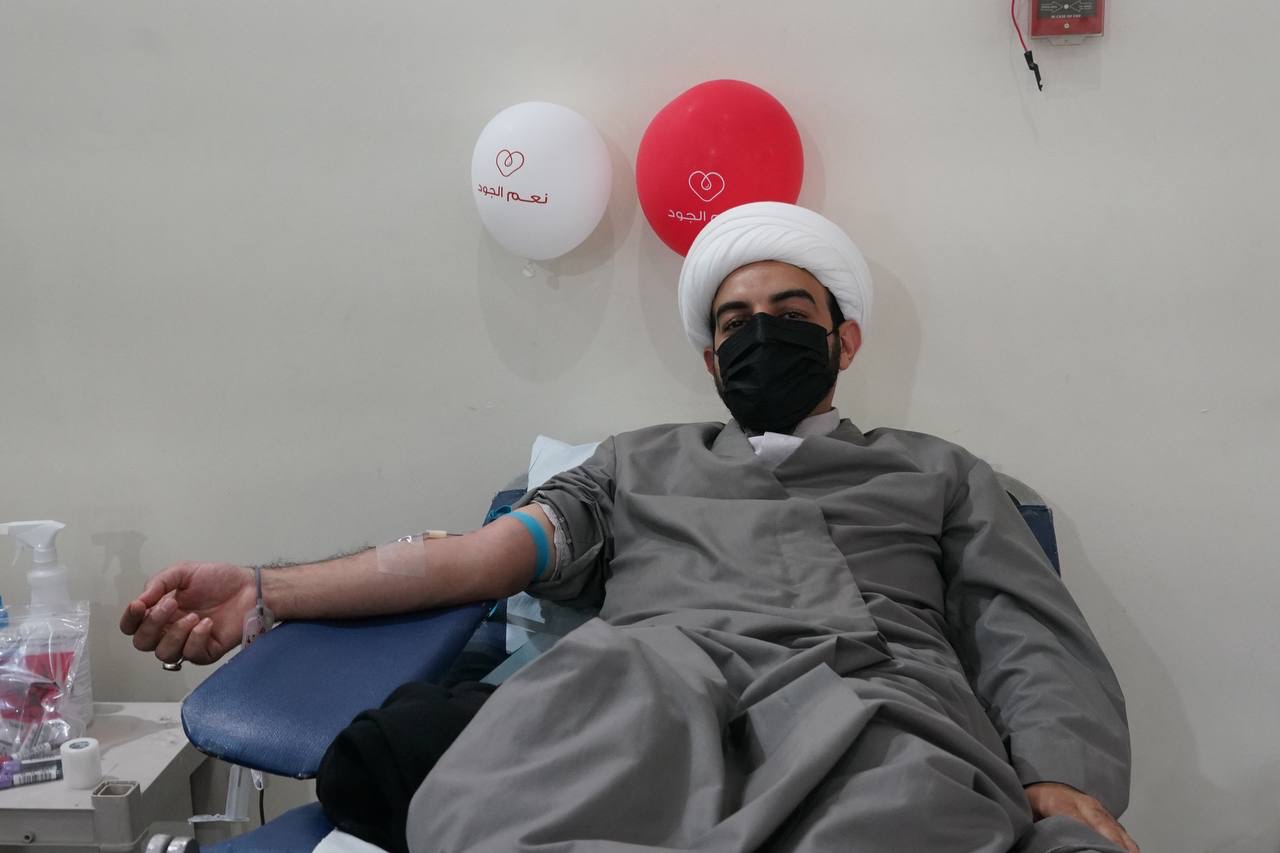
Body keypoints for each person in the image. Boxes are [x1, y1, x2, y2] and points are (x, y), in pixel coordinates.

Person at [121, 203, 1137, 853]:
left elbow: (1022, 625)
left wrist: (1057, 773)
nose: (763, 332)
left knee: (919, 816)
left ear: (844, 338)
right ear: (711, 358)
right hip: (651, 684)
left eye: (792, 311)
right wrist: (265, 591)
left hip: (869, 695)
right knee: (473, 786)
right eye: (735, 322)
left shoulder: (936, 471)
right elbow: (480, 558)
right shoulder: (635, 461)